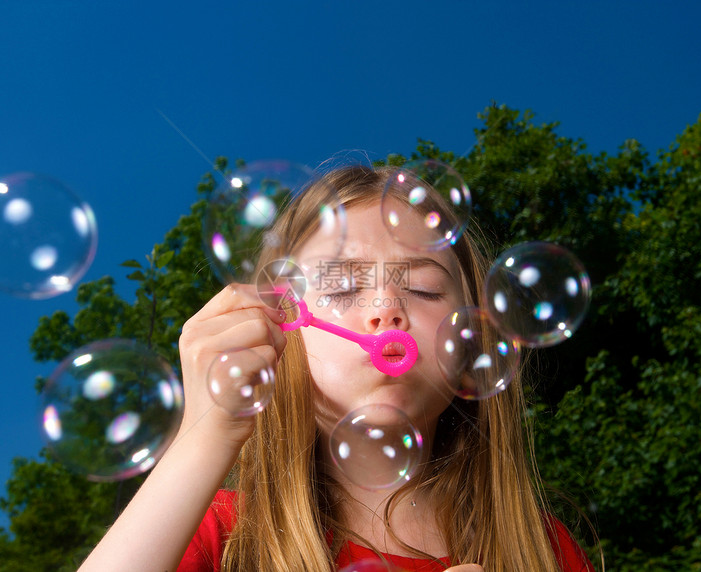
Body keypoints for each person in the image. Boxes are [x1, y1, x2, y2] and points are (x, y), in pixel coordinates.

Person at [79, 164, 596, 572]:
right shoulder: (222, 536)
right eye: (342, 287)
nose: (386, 308)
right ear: (279, 327)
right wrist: (204, 435)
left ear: (472, 340)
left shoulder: (542, 548)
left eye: (423, 288)